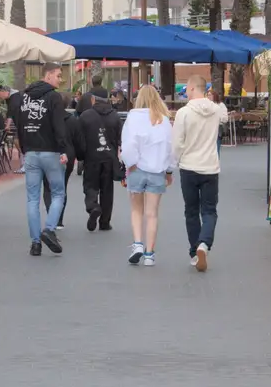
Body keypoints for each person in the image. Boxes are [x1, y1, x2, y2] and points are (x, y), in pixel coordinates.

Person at [9, 63, 69, 256]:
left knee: (32, 198)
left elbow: (20, 124)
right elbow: (59, 126)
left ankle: (35, 243)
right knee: (58, 192)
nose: (60, 80)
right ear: (49, 75)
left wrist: (25, 149)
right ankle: (49, 229)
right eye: (58, 76)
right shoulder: (53, 97)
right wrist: (63, 149)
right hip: (50, 151)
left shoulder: (24, 97)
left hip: (32, 152)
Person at [172, 81, 228, 272]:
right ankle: (204, 243)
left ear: (194, 88)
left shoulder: (183, 113)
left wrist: (175, 161)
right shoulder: (217, 111)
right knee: (210, 210)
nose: (186, 93)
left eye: (187, 89)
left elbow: (177, 142)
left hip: (189, 166)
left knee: (191, 210)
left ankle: (195, 251)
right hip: (211, 166)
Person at [119, 84, 176, 266]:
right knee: (152, 214)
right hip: (157, 171)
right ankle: (150, 254)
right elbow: (170, 148)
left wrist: (130, 163)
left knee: (136, 210)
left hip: (137, 169)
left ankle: (137, 244)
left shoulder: (133, 118)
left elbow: (128, 144)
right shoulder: (164, 120)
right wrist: (169, 171)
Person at [74, 88, 122, 231]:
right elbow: (120, 138)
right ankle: (105, 222)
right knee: (107, 190)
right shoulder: (114, 116)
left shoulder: (85, 116)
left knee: (90, 186)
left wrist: (81, 156)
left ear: (93, 100)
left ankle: (93, 206)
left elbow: (79, 139)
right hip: (109, 157)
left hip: (92, 157)